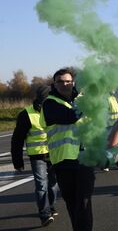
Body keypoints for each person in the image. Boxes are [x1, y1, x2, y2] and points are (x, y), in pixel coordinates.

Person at [41, 68, 94, 231]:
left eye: (68, 81)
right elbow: (71, 116)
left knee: (84, 201)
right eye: (60, 81)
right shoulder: (50, 104)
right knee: (72, 203)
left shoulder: (78, 100)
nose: (65, 84)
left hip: (84, 159)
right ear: (54, 85)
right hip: (64, 162)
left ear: (73, 83)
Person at [11, 85, 59, 226]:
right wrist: (17, 161)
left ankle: (51, 206)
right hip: (37, 156)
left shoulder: (56, 110)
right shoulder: (26, 114)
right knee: (41, 185)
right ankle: (44, 214)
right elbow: (17, 139)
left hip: (55, 154)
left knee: (53, 184)